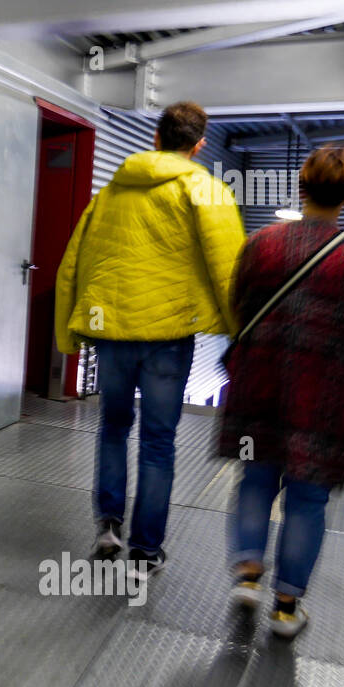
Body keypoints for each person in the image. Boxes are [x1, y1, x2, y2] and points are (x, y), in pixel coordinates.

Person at [55, 101, 244, 577]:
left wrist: (69, 331)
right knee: (159, 442)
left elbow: (74, 259)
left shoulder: (112, 191)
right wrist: (239, 330)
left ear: (156, 137)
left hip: (113, 332)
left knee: (113, 429)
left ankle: (107, 526)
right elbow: (229, 268)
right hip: (168, 335)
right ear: (198, 145)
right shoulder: (205, 188)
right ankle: (145, 550)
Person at [218, 144, 344, 638]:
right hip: (327, 392)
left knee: (255, 478)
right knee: (308, 499)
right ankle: (286, 608)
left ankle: (247, 574)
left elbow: (239, 303)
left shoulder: (261, 244)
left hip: (261, 381)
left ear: (301, 186)